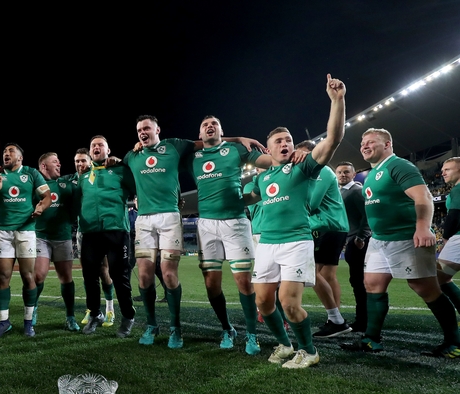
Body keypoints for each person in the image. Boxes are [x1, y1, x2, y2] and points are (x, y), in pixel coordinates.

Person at [126, 115, 259, 348]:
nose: (142, 132)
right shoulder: (132, 155)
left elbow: (209, 142)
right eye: (139, 130)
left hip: (169, 217)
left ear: (158, 129)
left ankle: (176, 329)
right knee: (145, 276)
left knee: (168, 275)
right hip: (144, 220)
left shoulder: (175, 146)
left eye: (146, 128)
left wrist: (238, 138)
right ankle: (151, 325)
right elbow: (118, 171)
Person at [245, 74, 346, 369]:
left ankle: (309, 350)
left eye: (288, 139)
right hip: (266, 244)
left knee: (289, 303)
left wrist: (337, 100)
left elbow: (333, 140)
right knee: (263, 302)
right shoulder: (263, 179)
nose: (285, 143)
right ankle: (285, 345)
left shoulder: (303, 169)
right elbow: (245, 200)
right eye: (279, 141)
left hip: (296, 242)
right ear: (269, 149)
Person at [341, 129, 460, 357]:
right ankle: (371, 340)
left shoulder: (399, 166)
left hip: (405, 237)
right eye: (362, 143)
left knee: (424, 287)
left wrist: (423, 227)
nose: (364, 146)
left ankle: (454, 341)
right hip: (379, 240)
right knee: (373, 285)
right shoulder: (372, 173)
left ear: (387, 144)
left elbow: (423, 196)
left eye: (371, 142)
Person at [190, 115, 272, 354]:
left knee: (244, 282)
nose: (209, 127)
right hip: (206, 225)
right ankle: (227, 328)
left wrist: (284, 155)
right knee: (211, 285)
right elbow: (177, 145)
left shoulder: (236, 149)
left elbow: (268, 160)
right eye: (205, 125)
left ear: (221, 130)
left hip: (235, 222)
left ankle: (251, 335)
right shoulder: (192, 156)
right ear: (200, 133)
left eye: (214, 124)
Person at [0, 143, 51, 338]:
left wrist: (41, 207)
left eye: (11, 151)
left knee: (28, 277)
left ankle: (28, 323)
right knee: (3, 277)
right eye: (4, 151)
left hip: (26, 231)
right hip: (4, 233)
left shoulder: (31, 173)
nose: (5, 154)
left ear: (20, 157)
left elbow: (47, 196)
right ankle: (4, 322)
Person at [77, 136, 137, 338]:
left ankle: (128, 316)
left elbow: (139, 188)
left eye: (100, 145)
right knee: (89, 276)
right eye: (93, 145)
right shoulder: (84, 176)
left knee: (119, 276)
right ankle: (95, 314)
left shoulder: (120, 170)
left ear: (108, 150)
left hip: (116, 229)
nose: (96, 147)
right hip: (90, 232)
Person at [293, 140, 352, 339]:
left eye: (301, 154)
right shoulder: (317, 172)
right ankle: (335, 319)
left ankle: (335, 319)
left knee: (311, 272)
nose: (297, 158)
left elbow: (311, 202)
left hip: (326, 226)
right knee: (327, 275)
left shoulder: (322, 171)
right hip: (331, 226)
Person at [33, 152, 79, 331]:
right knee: (38, 276)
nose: (59, 164)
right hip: (40, 236)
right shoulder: (35, 184)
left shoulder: (67, 182)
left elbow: (83, 173)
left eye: (59, 161)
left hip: (63, 236)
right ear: (43, 166)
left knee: (66, 278)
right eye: (55, 162)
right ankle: (33, 308)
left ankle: (70, 316)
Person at [71, 148, 116, 327]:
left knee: (104, 270)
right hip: (83, 231)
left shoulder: (97, 176)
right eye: (77, 161)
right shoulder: (73, 180)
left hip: (100, 230)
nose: (80, 164)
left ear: (90, 162)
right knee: (88, 272)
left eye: (83, 161)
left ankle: (110, 308)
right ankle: (92, 308)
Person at [335, 161, 371, 332]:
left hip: (358, 241)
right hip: (350, 239)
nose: (343, 175)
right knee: (356, 281)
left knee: (358, 281)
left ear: (354, 174)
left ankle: (363, 321)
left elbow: (367, 214)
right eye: (340, 172)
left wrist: (361, 236)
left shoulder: (356, 191)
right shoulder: (341, 192)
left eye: (346, 172)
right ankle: (362, 319)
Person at [436, 157, 460, 326]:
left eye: (448, 169)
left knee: (437, 278)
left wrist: (446, 236)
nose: (442, 172)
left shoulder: (458, 190)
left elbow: (454, 215)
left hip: (458, 238)